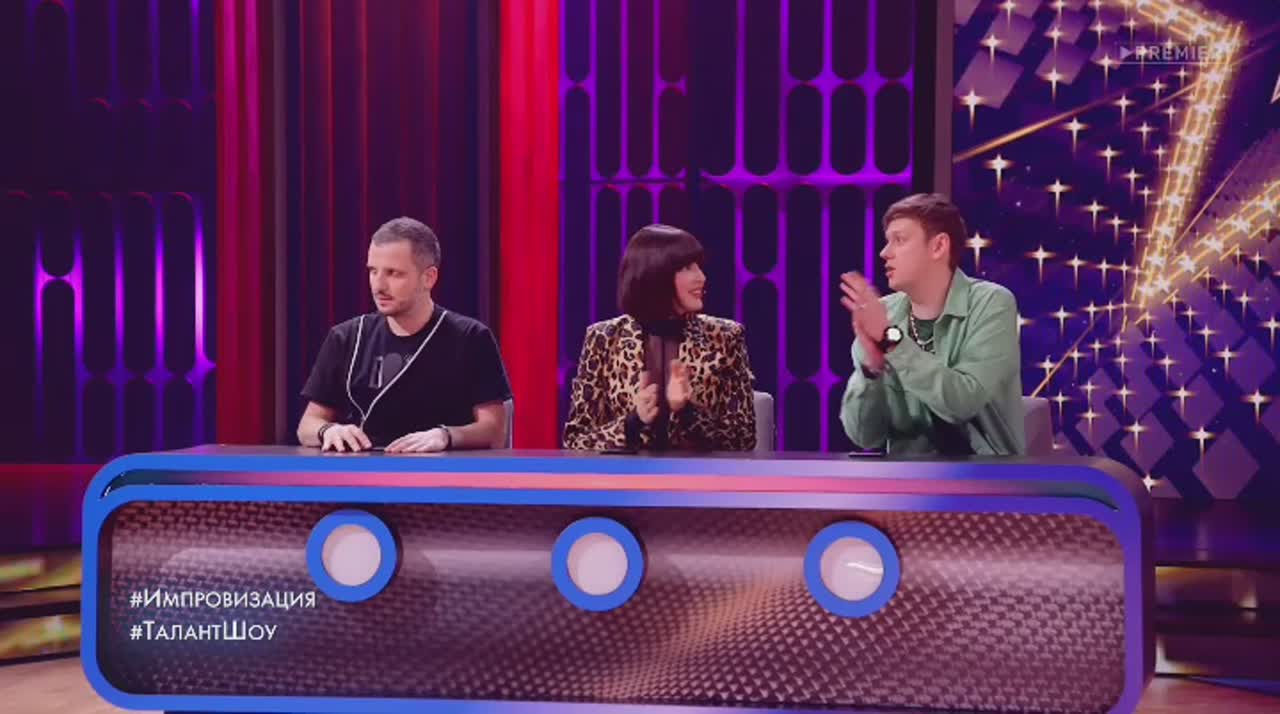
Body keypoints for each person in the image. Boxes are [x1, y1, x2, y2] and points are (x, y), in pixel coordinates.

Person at [297, 217, 512, 452]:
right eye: (373, 271)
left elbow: (494, 430)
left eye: (394, 273)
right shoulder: (346, 337)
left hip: (442, 468)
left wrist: (446, 436)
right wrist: (327, 430)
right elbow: (307, 425)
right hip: (364, 468)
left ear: (429, 278)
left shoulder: (471, 338)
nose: (379, 286)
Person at [839, 193, 1025, 456]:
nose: (884, 253)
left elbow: (962, 404)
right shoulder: (882, 314)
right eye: (887, 241)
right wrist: (871, 371)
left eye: (899, 240)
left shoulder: (992, 303)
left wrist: (891, 340)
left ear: (938, 246)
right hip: (907, 478)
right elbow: (864, 436)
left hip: (986, 477)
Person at [563, 224, 756, 451]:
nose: (701, 277)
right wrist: (633, 422)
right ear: (656, 274)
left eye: (699, 266)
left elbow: (743, 438)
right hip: (627, 473)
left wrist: (688, 412)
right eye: (687, 267)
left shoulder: (725, 337)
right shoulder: (604, 338)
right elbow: (576, 439)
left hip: (698, 473)